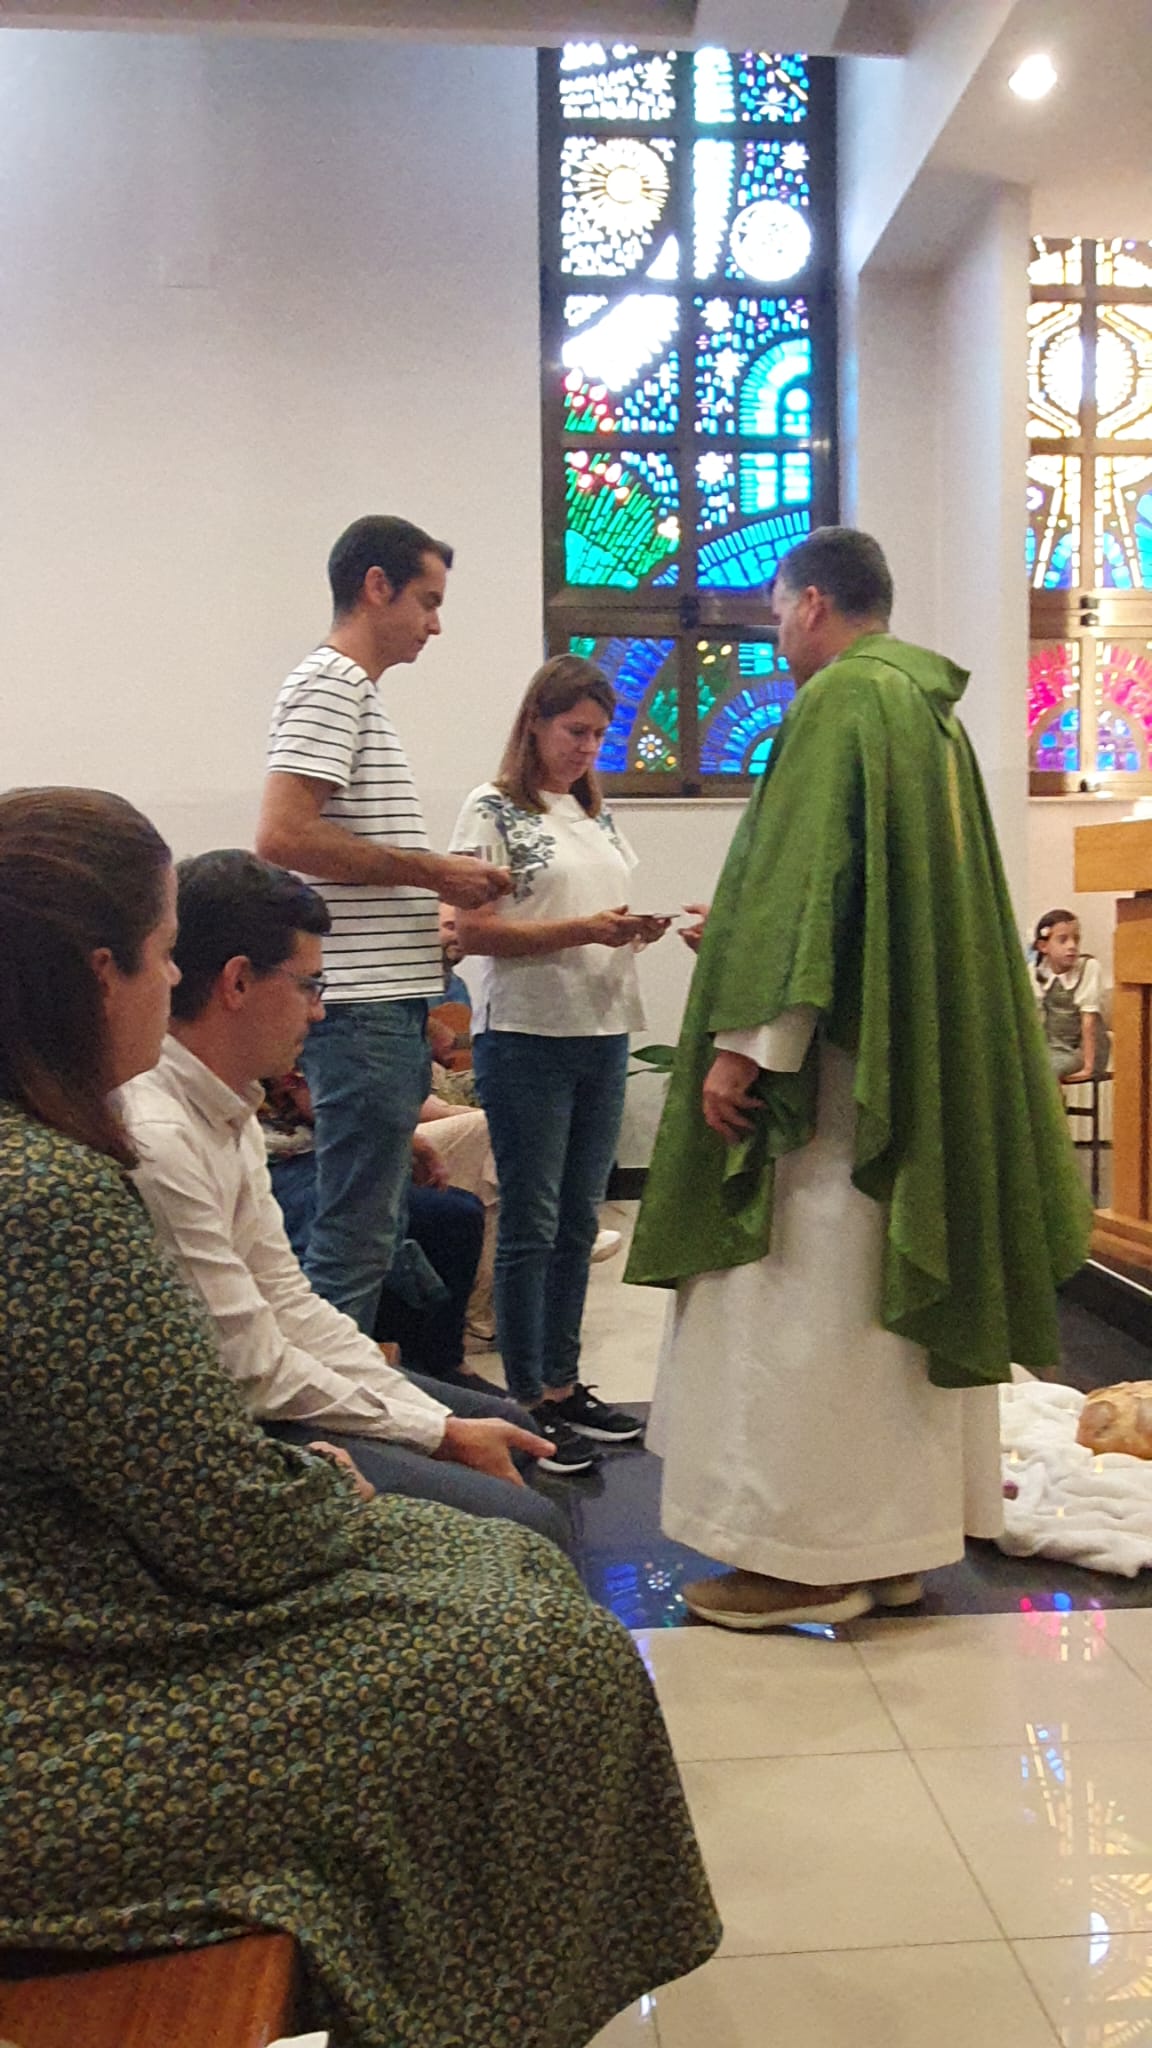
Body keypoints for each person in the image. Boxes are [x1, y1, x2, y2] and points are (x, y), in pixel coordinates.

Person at [0, 785, 720, 2047]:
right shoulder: (52, 1187)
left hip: (103, 1571)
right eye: (161, 956)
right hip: (64, 1671)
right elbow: (219, 1496)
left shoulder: (73, 1143)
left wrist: (374, 1445)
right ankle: (488, 2001)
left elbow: (241, 1362)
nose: (170, 984)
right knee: (537, 1654)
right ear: (99, 972)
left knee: (515, 1574)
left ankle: (494, 1980)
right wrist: (348, 1470)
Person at [626, 528, 1092, 1631]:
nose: (775, 636)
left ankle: (808, 1555)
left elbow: (809, 885)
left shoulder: (839, 701)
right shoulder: (928, 712)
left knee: (801, 1301)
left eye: (776, 614)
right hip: (899, 1063)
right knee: (880, 1318)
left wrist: (749, 1042)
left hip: (831, 1095)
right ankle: (892, 1545)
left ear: (813, 605)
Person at [120, 849, 569, 1550]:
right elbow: (250, 1372)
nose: (320, 1009)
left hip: (266, 1385)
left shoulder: (226, 1104)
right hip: (231, 1431)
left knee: (513, 1428)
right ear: (238, 982)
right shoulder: (160, 1136)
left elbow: (289, 1302)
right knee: (527, 1520)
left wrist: (433, 1420)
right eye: (309, 984)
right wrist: (435, 1432)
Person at [254, 514, 511, 1334]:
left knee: (376, 1230)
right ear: (376, 587)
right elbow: (283, 837)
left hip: (382, 1005)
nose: (436, 624)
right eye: (427, 602)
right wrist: (435, 872)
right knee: (355, 1241)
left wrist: (426, 916)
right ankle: (333, 1407)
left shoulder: (355, 694)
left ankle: (365, 1386)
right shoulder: (330, 683)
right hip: (359, 1011)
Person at [450, 655, 670, 1475]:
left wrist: (635, 930)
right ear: (535, 722)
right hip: (527, 1037)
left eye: (599, 735)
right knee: (531, 1222)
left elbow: (594, 911)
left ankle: (564, 1384)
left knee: (580, 1219)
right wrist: (584, 931)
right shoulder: (492, 809)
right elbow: (468, 930)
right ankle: (524, 1401)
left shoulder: (593, 812)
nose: (587, 748)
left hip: (602, 1029)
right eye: (575, 731)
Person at [1032, 907, 1109, 1082]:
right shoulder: (1038, 971)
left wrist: (1088, 1067)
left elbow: (1088, 1022)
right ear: (1043, 946)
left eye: (1076, 939)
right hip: (1052, 1047)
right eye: (1063, 940)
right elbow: (1036, 1016)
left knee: (1048, 1071)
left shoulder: (1088, 967)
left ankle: (1053, 1102)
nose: (1072, 946)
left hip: (1082, 1050)